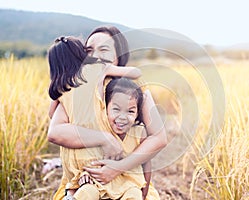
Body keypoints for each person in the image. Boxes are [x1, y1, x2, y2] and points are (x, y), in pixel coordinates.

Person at [48, 26, 167, 199]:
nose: (95, 56)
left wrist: (118, 168)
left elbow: (159, 137)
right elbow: (55, 132)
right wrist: (105, 138)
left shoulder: (135, 90)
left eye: (104, 49)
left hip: (127, 183)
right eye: (89, 51)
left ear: (118, 57)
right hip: (87, 183)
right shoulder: (78, 90)